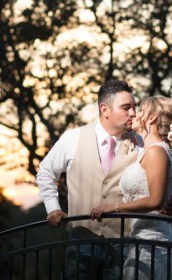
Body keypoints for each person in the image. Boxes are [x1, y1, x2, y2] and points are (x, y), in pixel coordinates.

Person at [36, 79, 142, 279]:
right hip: (81, 240)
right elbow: (45, 172)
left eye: (134, 107)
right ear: (105, 109)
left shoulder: (141, 143)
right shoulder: (73, 138)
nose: (133, 113)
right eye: (126, 107)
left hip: (125, 243)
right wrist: (53, 208)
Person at [90, 96, 172, 279]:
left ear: (151, 118)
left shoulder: (157, 151)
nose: (135, 114)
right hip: (141, 239)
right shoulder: (148, 151)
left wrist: (114, 208)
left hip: (154, 241)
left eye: (141, 110)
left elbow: (156, 200)